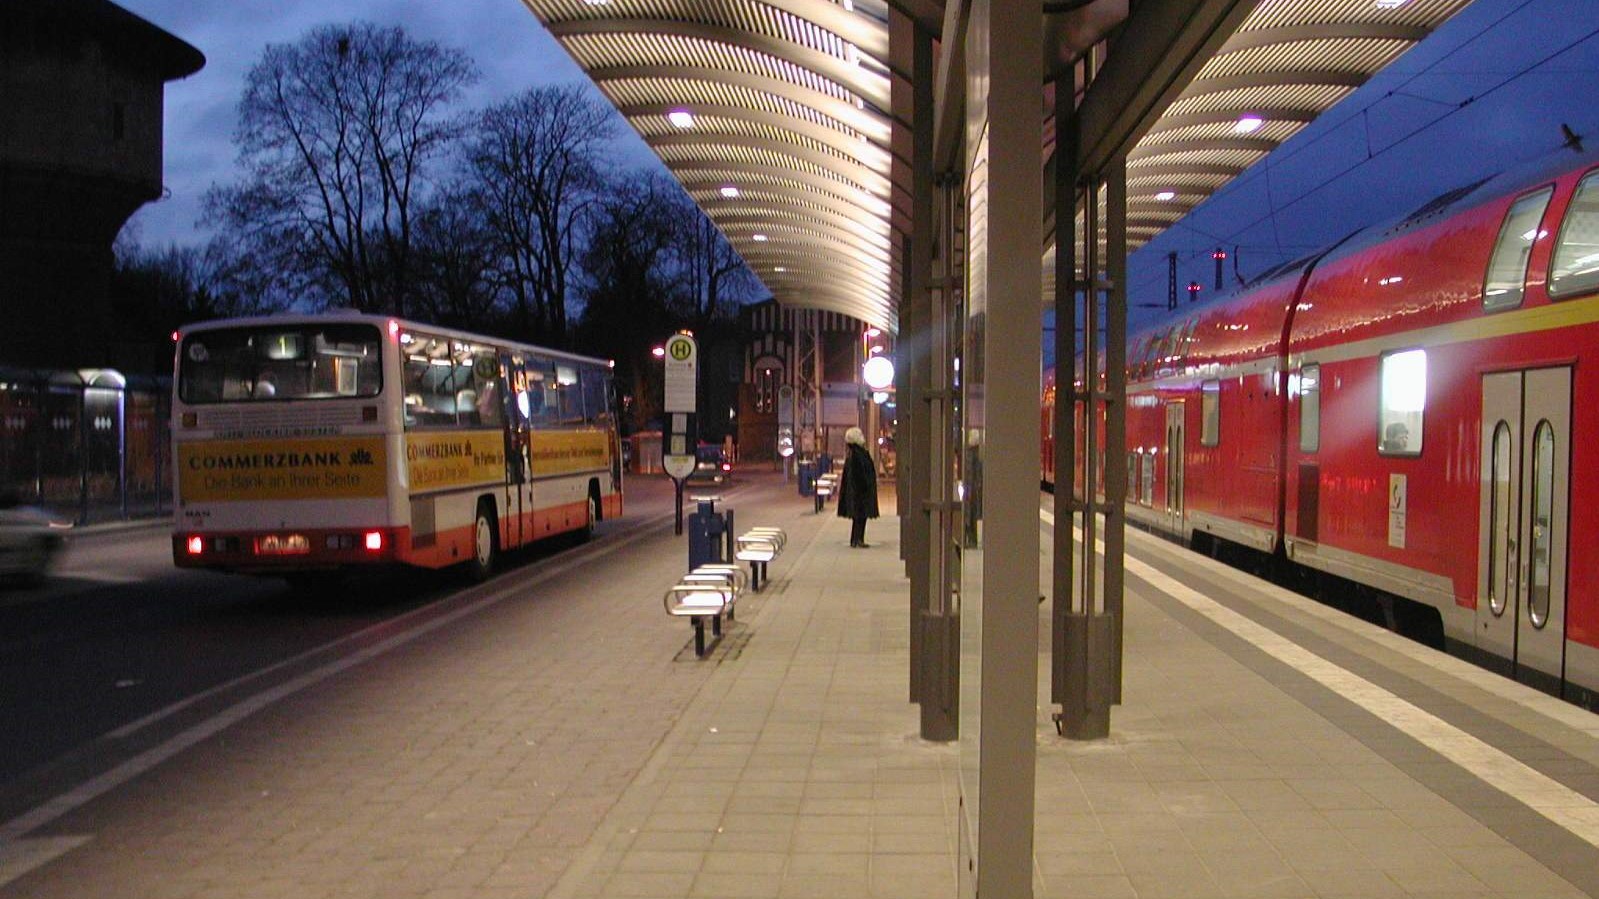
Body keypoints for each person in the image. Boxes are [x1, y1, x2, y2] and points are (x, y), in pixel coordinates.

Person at [837, 426, 879, 548]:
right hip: (861, 492)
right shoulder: (859, 454)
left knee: (858, 517)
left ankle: (855, 539)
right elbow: (862, 473)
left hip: (856, 492)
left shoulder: (852, 453)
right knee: (861, 516)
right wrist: (867, 485)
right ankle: (858, 539)